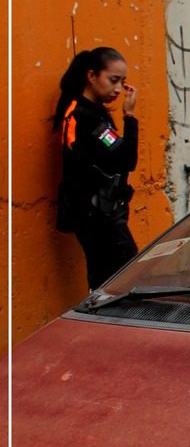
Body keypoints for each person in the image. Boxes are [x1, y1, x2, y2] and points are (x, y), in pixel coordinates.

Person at [52, 46, 139, 289]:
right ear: (91, 76)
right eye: (113, 80)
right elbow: (126, 160)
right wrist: (130, 117)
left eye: (122, 82)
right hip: (97, 214)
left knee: (105, 279)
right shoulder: (86, 117)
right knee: (126, 277)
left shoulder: (86, 113)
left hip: (96, 212)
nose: (118, 89)